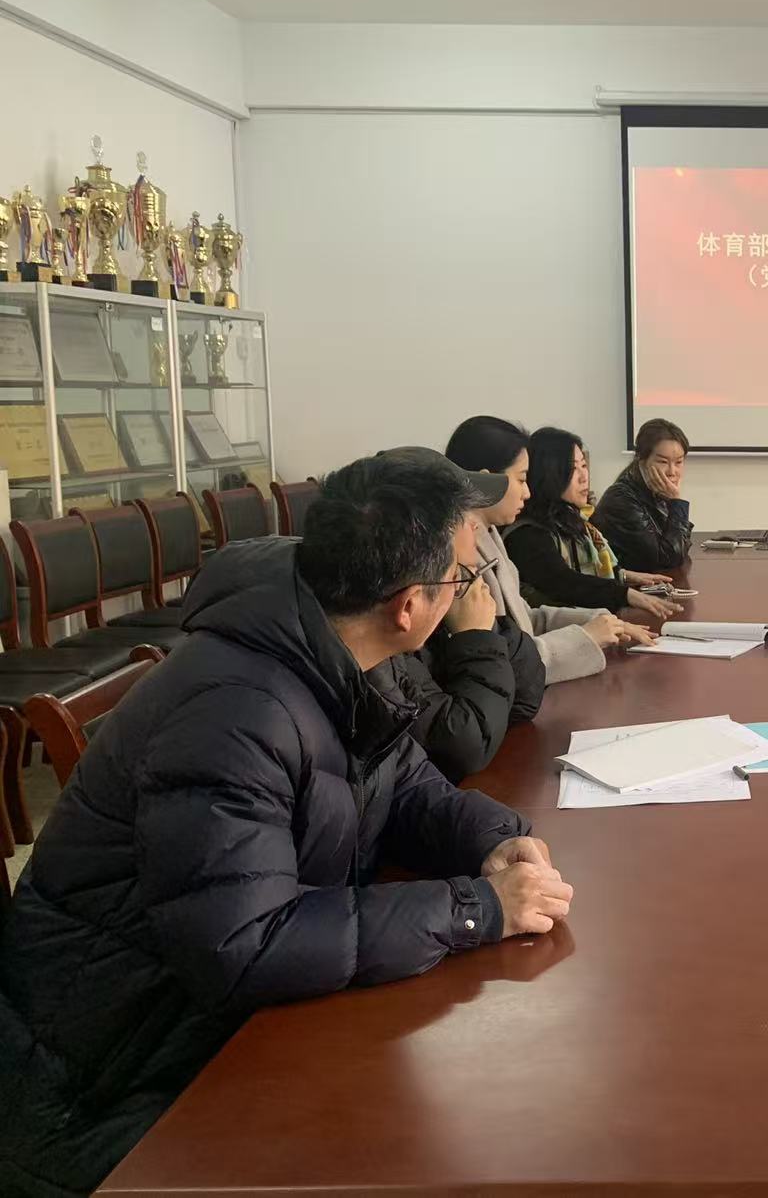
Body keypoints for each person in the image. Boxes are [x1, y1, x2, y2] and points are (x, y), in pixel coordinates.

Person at [0, 450, 576, 1196]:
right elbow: (248, 943)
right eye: (462, 579)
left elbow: (405, 784)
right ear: (410, 606)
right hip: (106, 1090)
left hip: (205, 1032)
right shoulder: (236, 713)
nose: (470, 594)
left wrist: (493, 839)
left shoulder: (340, 641)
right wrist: (476, 910)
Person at [366, 449, 546, 783]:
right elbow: (461, 747)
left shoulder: (444, 599)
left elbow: (526, 697)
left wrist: (487, 625)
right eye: (463, 515)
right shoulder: (383, 633)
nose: (475, 524)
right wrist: (477, 638)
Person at [445, 416, 655, 684]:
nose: (527, 492)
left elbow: (526, 621)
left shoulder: (489, 536)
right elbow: (503, 664)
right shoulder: (459, 557)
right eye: (521, 479)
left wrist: (600, 620)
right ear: (487, 482)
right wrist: (587, 637)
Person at [505, 427, 684, 619]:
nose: (584, 477)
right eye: (573, 469)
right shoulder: (527, 534)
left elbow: (585, 567)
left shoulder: (572, 518)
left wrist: (623, 575)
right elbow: (564, 583)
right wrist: (625, 594)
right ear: (548, 473)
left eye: (583, 465)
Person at [591, 417, 694, 572]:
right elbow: (667, 558)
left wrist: (674, 503)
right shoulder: (621, 499)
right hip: (625, 584)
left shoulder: (657, 491)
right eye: (663, 462)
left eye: (678, 462)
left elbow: (681, 545)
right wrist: (676, 502)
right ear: (642, 460)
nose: (672, 472)